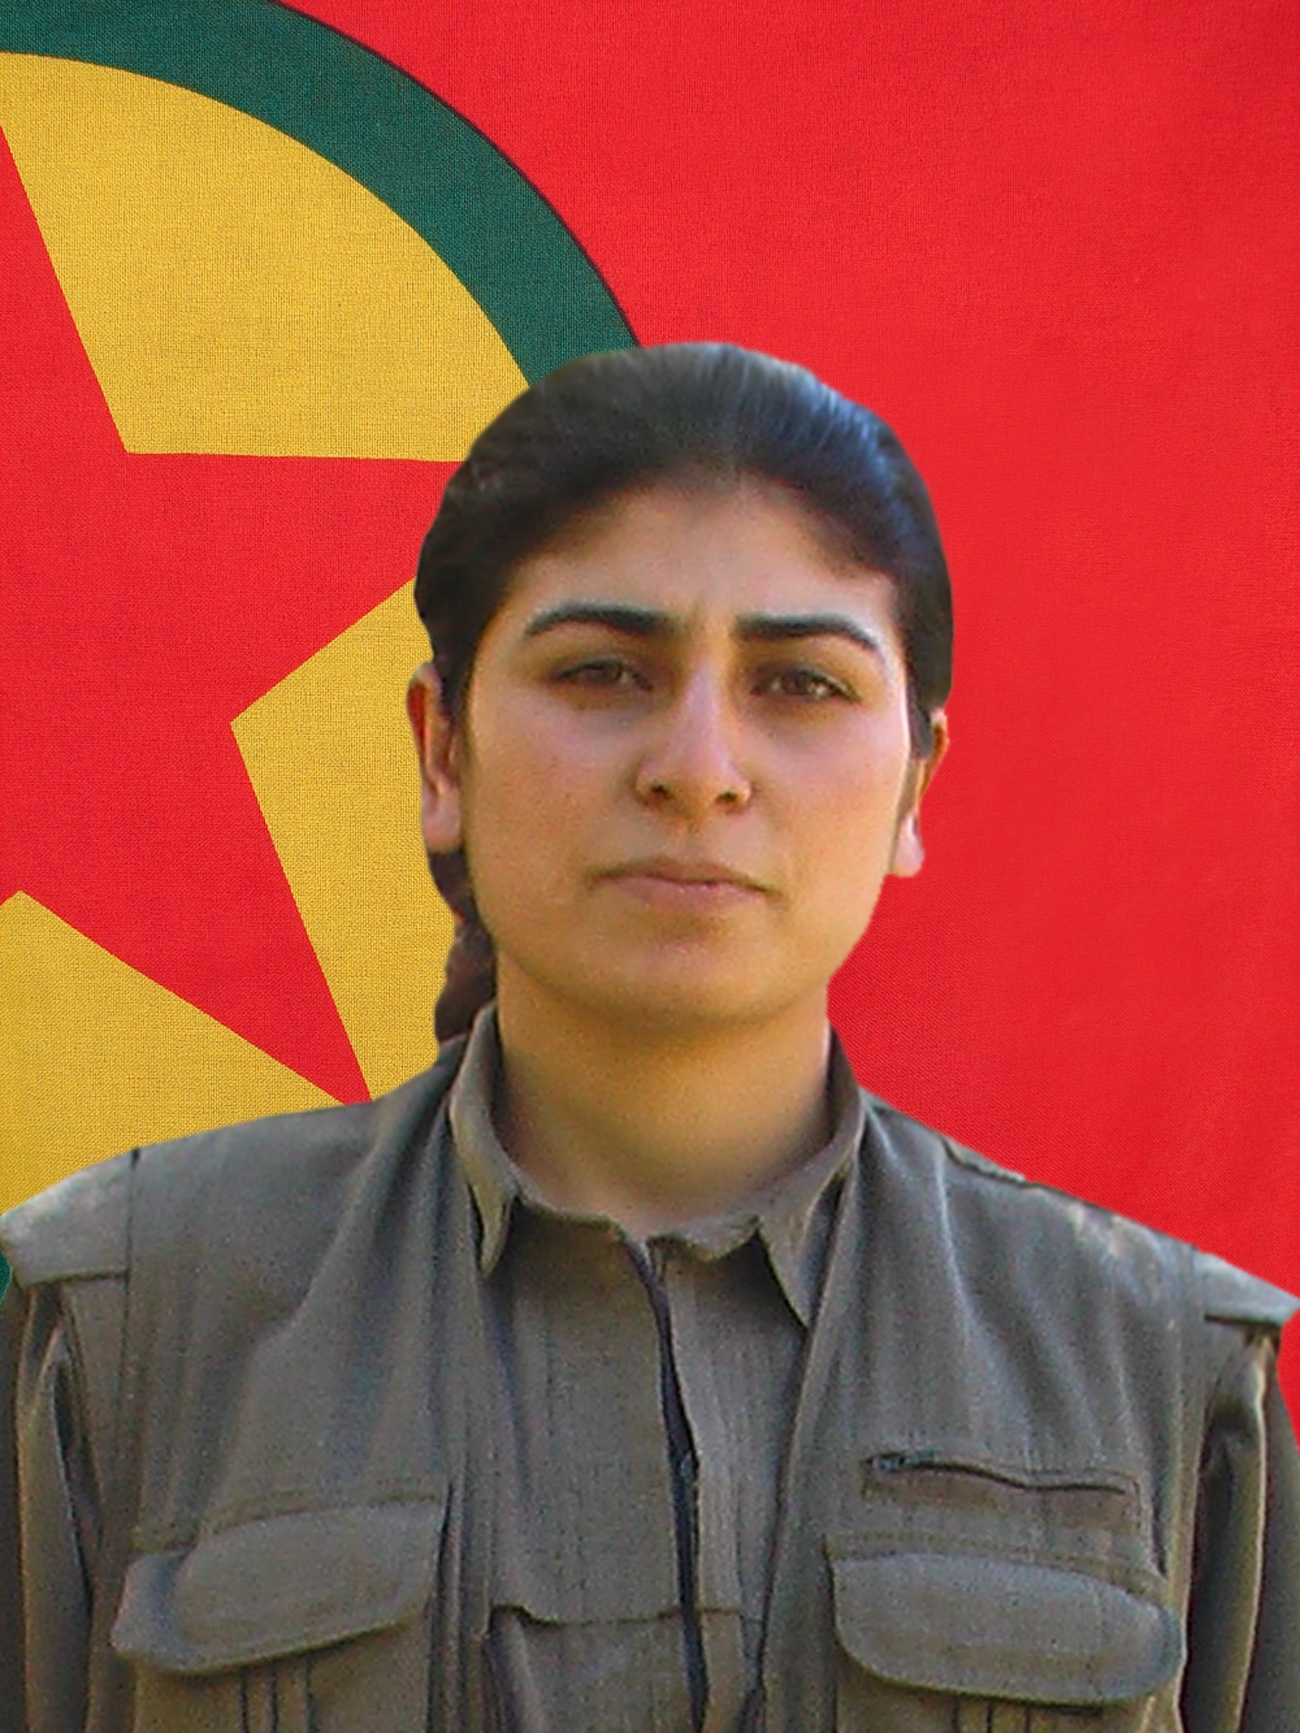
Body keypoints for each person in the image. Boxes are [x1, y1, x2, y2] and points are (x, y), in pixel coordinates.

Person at [1, 343, 1296, 1733]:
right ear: (443, 751)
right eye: (605, 670)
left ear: (916, 783)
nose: (697, 767)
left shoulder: (1158, 1372)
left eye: (799, 684)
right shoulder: (123, 1329)